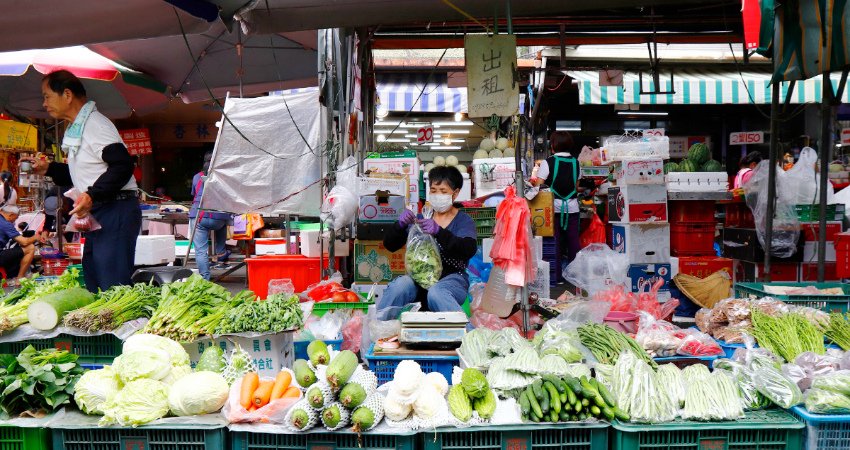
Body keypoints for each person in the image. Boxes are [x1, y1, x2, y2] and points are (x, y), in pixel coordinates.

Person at [26, 69, 140, 292]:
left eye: (47, 96)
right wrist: (49, 168)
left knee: (112, 284)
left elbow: (123, 165)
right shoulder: (78, 128)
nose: (44, 103)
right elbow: (82, 174)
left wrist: (93, 194)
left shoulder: (95, 125)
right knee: (95, 279)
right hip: (100, 211)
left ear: (67, 94)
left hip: (115, 209)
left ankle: (121, 326)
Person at [378, 166, 477, 314]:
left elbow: (468, 249)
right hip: (417, 281)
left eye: (443, 191)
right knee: (400, 285)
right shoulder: (420, 219)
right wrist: (399, 225)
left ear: (455, 193)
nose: (437, 195)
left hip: (452, 280)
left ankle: (467, 333)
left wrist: (439, 232)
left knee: (437, 292)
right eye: (433, 190)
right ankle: (379, 328)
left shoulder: (463, 220)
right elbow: (390, 245)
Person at [535, 131, 581, 267]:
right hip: (572, 209)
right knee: (573, 242)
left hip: (552, 209)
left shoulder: (547, 162)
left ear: (553, 145)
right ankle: (575, 275)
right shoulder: (576, 163)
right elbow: (576, 187)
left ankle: (557, 278)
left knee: (555, 242)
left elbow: (538, 186)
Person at [189, 152, 231, 280]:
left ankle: (205, 278)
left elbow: (194, 194)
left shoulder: (197, 177)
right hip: (218, 217)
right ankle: (221, 251)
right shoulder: (224, 177)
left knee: (201, 251)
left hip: (198, 215)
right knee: (223, 224)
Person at [0, 205, 45, 284]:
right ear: (11, 215)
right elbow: (24, 242)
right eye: (16, 218)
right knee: (30, 247)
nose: (15, 220)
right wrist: (35, 237)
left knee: (15, 248)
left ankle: (12, 274)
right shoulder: (5, 224)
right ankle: (19, 278)